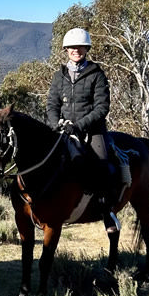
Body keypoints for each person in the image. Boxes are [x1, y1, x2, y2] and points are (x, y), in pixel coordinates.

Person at [46, 28, 120, 233]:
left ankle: (107, 212)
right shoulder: (59, 76)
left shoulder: (96, 74)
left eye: (79, 47)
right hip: (62, 129)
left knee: (103, 165)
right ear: (66, 50)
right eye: (71, 47)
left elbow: (102, 107)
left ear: (86, 48)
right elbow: (52, 104)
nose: (75, 50)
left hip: (92, 130)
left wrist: (78, 125)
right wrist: (55, 123)